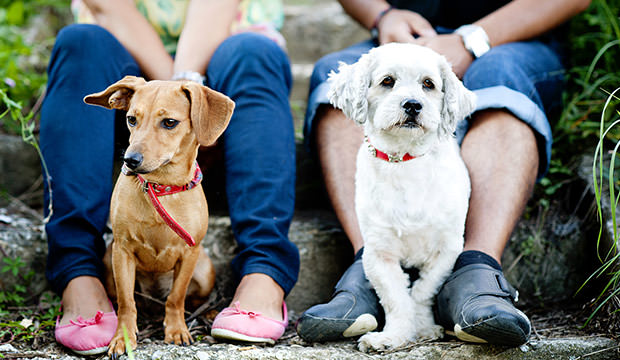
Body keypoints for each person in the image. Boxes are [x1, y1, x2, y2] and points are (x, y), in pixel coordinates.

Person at [296, 0, 591, 346]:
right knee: (335, 67)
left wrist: (474, 39)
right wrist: (381, 14)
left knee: (501, 73)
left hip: (515, 33)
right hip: (404, 34)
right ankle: (370, 264)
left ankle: (476, 271)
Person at [41, 0, 299, 354]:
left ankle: (264, 271)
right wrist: (163, 98)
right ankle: (79, 272)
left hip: (221, 100)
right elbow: (107, 6)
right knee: (82, 42)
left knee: (253, 50)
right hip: (133, 111)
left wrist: (191, 105)